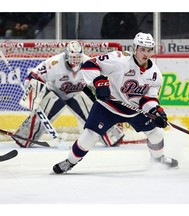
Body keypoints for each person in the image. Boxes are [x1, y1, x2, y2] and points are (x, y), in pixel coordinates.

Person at [53, 33, 178, 174]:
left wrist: (156, 111)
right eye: (142, 49)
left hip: (134, 110)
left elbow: (148, 99)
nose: (145, 53)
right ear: (135, 48)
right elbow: (90, 65)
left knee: (156, 134)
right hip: (108, 105)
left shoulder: (155, 74)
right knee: (89, 136)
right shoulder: (119, 60)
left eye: (149, 50)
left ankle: (157, 160)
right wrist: (99, 83)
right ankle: (70, 162)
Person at [13, 41, 124, 148]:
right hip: (55, 94)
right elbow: (32, 77)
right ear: (66, 56)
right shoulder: (54, 63)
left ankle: (111, 137)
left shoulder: (89, 62)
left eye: (78, 57)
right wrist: (32, 91)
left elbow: (101, 80)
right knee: (45, 108)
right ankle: (24, 137)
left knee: (95, 113)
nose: (76, 61)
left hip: (77, 94)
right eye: (73, 57)